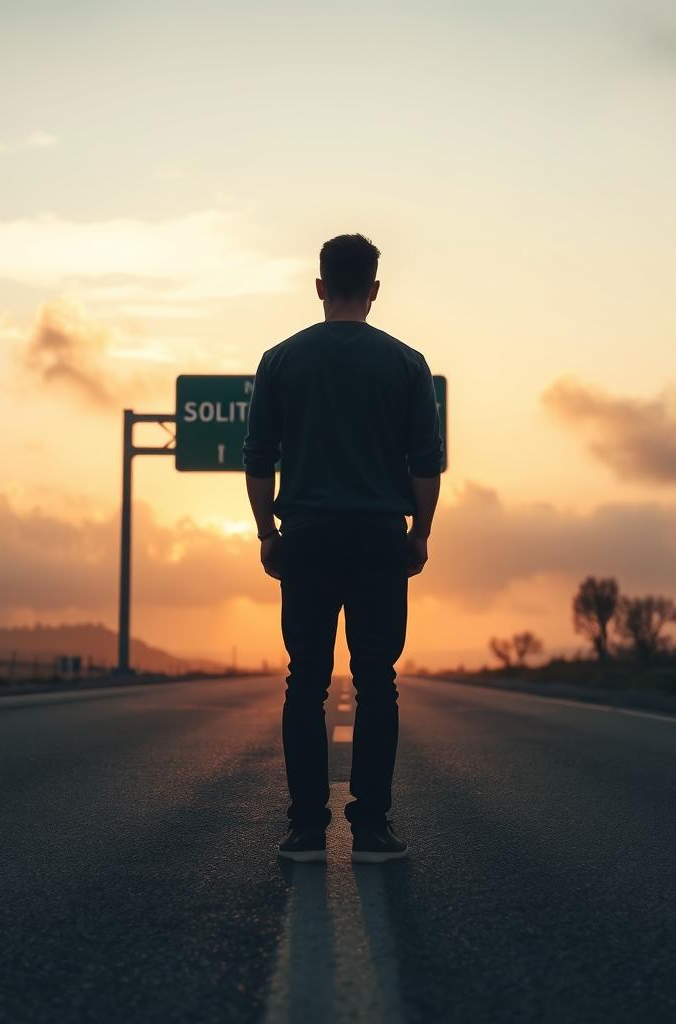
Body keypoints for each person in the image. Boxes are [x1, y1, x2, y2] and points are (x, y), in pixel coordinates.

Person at [242, 233, 443, 864]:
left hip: (307, 535)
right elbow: (426, 467)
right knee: (377, 681)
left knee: (305, 682)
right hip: (379, 536)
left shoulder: (279, 361)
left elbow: (257, 462)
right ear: (375, 290)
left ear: (321, 286)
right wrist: (419, 535)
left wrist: (269, 535)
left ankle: (305, 829)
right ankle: (372, 831)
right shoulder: (408, 365)